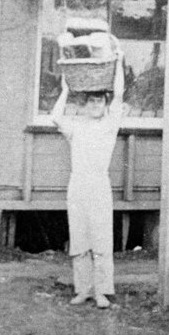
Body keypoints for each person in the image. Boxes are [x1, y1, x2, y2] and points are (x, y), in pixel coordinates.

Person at [51, 51, 126, 309]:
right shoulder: (76, 127)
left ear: (105, 105)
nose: (96, 105)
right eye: (91, 101)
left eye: (100, 101)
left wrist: (119, 63)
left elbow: (119, 95)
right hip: (78, 185)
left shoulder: (109, 126)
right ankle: (83, 289)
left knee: (101, 239)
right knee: (80, 238)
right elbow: (55, 117)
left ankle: (102, 291)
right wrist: (65, 89)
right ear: (84, 104)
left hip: (98, 185)